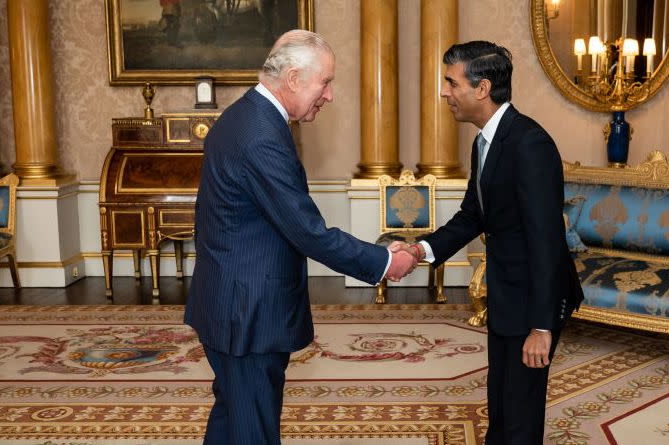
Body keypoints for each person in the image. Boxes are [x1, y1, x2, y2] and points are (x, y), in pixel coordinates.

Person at [184, 30, 418, 445]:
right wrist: (384, 261)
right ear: (293, 78)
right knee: (253, 431)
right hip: (248, 313)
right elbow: (307, 232)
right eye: (324, 82)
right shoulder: (260, 135)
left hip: (230, 302)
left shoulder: (245, 116)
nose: (328, 95)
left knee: (233, 418)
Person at [406, 41, 584, 444]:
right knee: (502, 406)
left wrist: (542, 327)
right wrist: (421, 250)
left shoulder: (529, 144)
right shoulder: (485, 141)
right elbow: (474, 215)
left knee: (520, 415)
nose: (444, 92)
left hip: (532, 304)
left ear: (482, 88)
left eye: (451, 83)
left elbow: (547, 240)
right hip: (506, 296)